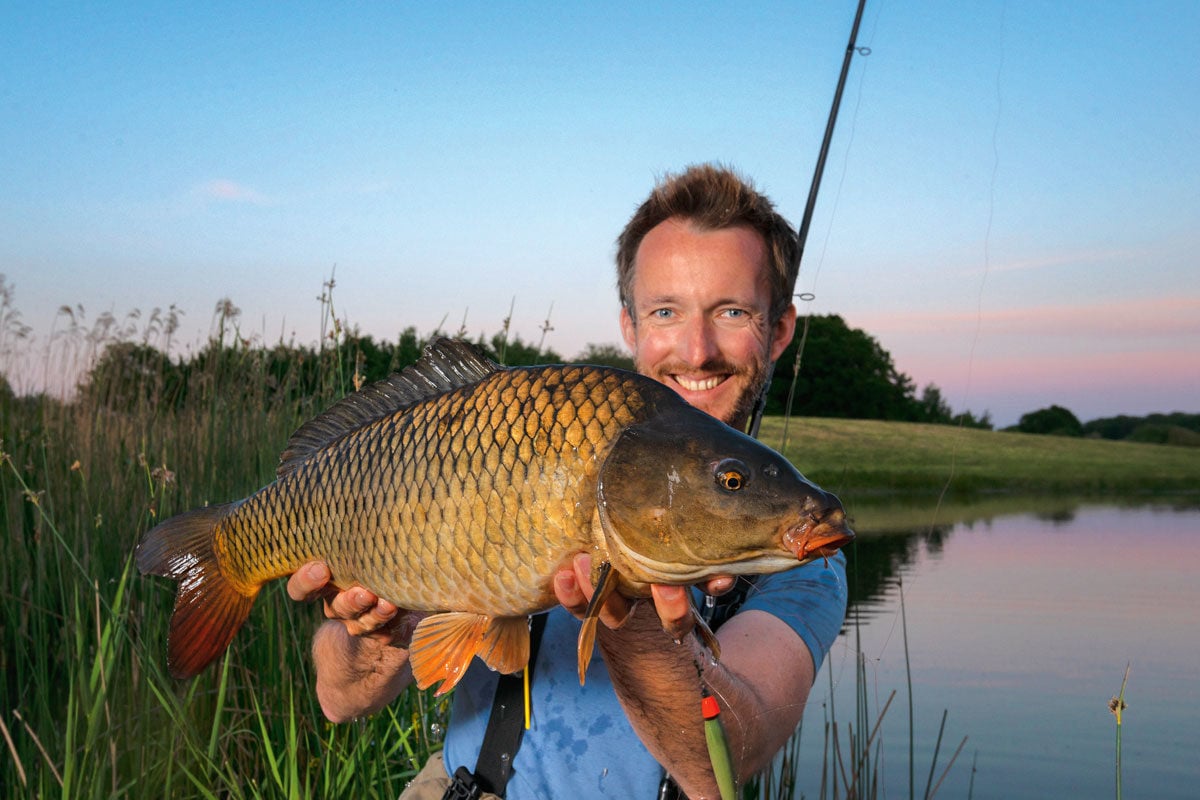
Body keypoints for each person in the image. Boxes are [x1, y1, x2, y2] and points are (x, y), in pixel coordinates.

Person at [287, 164, 849, 799]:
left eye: (730, 311)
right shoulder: (515, 448)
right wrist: (378, 635)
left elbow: (716, 770)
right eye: (666, 311)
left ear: (776, 331)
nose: (696, 350)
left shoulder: (801, 560)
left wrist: (629, 613)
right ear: (630, 326)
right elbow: (338, 700)